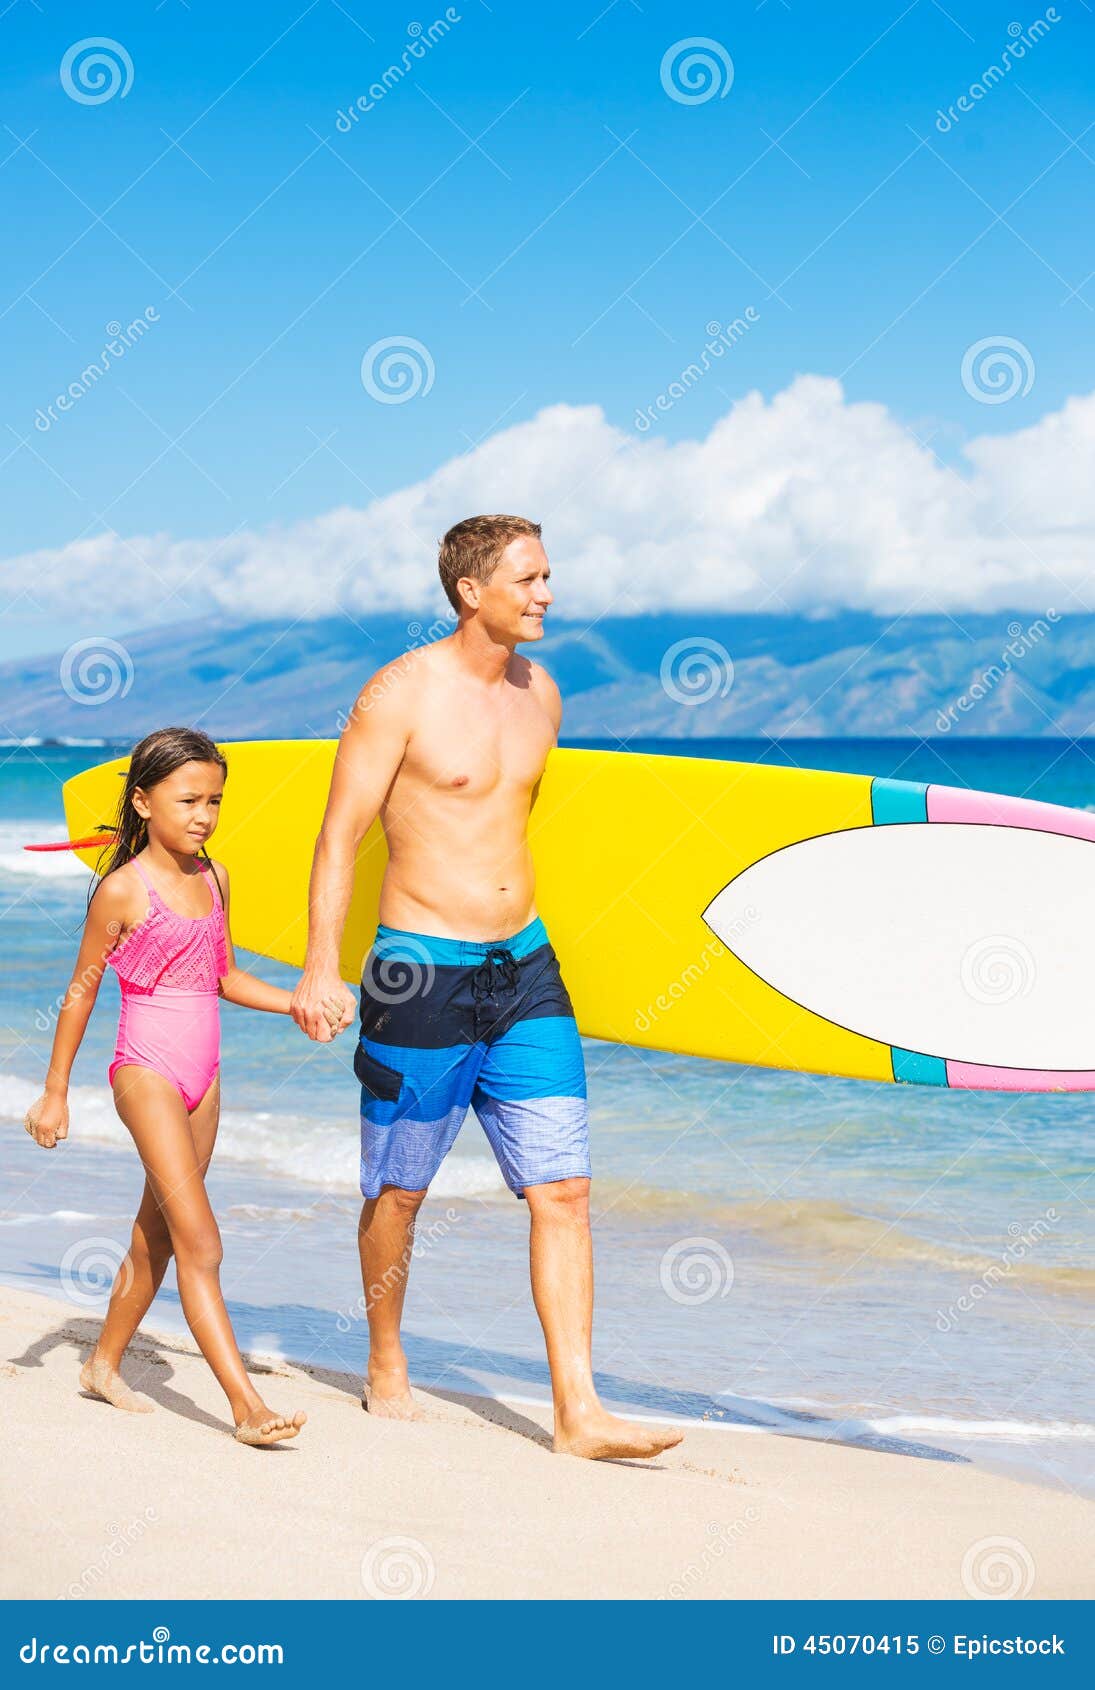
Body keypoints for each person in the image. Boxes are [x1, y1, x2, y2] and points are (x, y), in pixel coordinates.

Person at [292, 515, 683, 1461]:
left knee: (566, 1190)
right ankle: (386, 1356)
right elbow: (340, 834)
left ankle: (578, 1411)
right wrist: (317, 967)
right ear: (472, 590)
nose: (547, 594)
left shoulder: (541, 692)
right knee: (399, 1191)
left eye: (548, 576)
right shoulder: (399, 694)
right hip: (418, 969)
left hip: (527, 971)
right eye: (530, 578)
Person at [23, 726, 325, 1446]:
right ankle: (246, 1407)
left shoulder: (215, 879)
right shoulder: (123, 891)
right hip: (146, 1071)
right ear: (142, 800)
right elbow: (79, 993)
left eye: (214, 800)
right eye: (188, 799)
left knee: (157, 1233)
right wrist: (56, 1090)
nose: (203, 814)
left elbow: (223, 978)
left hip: (205, 1077)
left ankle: (101, 1364)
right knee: (203, 1240)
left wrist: (299, 1002)